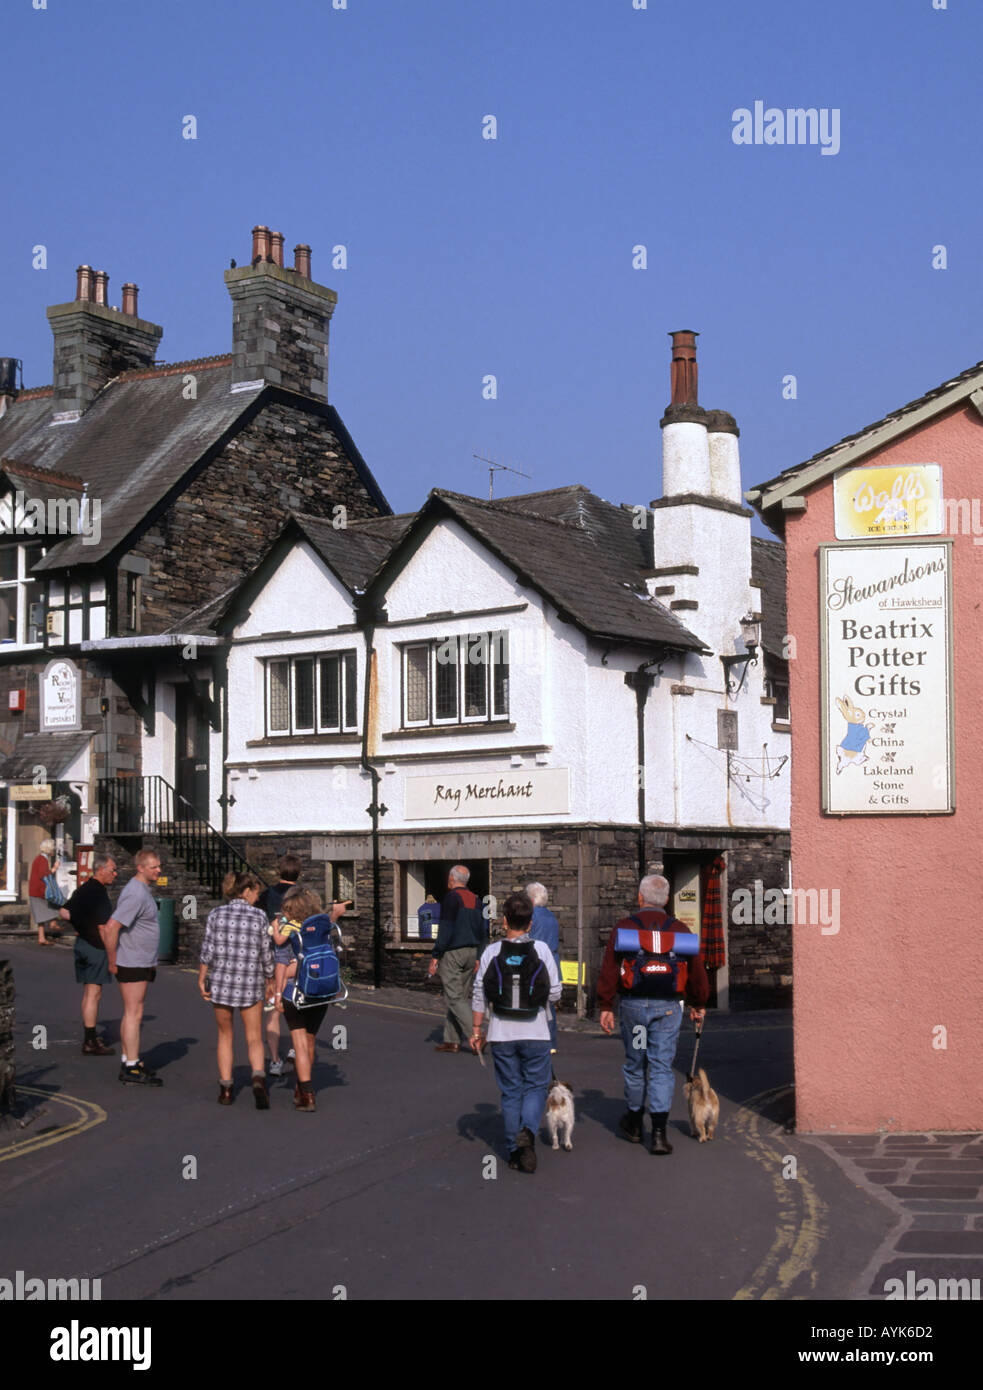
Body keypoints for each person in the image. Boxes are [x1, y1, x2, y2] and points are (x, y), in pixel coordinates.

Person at [597, 874, 709, 1156]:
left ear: (640, 898)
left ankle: (634, 1123)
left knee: (636, 1064)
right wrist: (698, 1003)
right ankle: (659, 1134)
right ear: (668, 901)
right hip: (668, 1008)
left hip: (635, 1009)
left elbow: (610, 968)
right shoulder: (681, 930)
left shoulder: (625, 928)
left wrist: (606, 1005)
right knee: (661, 1066)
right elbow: (696, 971)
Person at [470, 891, 561, 1173]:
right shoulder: (542, 951)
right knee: (535, 1087)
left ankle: (513, 1151)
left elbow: (478, 994)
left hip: (501, 1032)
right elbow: (556, 993)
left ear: (505, 920)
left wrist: (476, 1030)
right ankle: (528, 1137)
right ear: (531, 923)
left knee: (511, 1092)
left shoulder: (492, 952)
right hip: (536, 1032)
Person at [198, 870, 275, 1108]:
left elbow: (207, 950)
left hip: (221, 983)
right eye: (256, 893)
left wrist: (202, 978)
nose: (258, 898)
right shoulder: (259, 917)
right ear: (246, 891)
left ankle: (226, 1089)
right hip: (250, 983)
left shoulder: (216, 914)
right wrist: (271, 980)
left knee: (225, 1035)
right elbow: (266, 953)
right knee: (254, 1036)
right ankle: (258, 1077)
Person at [274, 887, 346, 1113]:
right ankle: (300, 1088)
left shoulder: (290, 931)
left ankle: (307, 1094)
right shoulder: (322, 928)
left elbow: (282, 965)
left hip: (296, 994)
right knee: (310, 1040)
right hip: (322, 991)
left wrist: (277, 993)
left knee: (299, 1043)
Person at [101, 848, 164, 1086]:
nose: (159, 870)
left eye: (158, 866)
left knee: (133, 1011)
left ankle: (130, 1060)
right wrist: (111, 959)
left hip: (140, 959)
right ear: (141, 868)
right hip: (132, 960)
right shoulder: (135, 894)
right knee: (134, 1013)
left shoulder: (140, 890)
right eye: (154, 867)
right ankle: (131, 1065)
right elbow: (111, 927)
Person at [63, 854, 119, 1055]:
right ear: (101, 869)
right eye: (112, 870)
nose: (115, 874)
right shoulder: (99, 894)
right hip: (96, 947)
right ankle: (90, 1041)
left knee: (88, 993)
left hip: (81, 944)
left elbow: (64, 912)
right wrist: (112, 957)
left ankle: (90, 1036)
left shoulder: (83, 889)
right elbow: (104, 928)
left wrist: (81, 925)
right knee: (94, 994)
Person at [427, 865, 486, 1053]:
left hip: (454, 953)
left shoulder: (451, 898)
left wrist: (435, 955)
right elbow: (483, 930)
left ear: (451, 879)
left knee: (454, 997)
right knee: (459, 997)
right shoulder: (476, 900)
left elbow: (446, 929)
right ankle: (451, 1040)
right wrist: (479, 955)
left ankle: (476, 1035)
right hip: (472, 952)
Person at [258, 852, 302, 1076]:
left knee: (273, 1012)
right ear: (298, 872)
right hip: (296, 959)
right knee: (297, 1008)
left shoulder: (267, 895)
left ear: (278, 871)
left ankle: (275, 1061)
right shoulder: (302, 896)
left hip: (273, 959)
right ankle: (296, 1049)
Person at [526, 881, 561, 1053]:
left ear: (531, 899)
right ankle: (551, 1043)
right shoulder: (551, 917)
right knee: (549, 1004)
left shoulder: (531, 916)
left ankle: (533, 1040)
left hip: (536, 962)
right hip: (552, 962)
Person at [29, 838, 63, 946]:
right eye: (53, 848)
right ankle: (53, 923)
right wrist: (54, 868)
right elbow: (44, 875)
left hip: (35, 890)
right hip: (39, 891)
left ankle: (41, 938)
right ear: (49, 849)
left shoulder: (39, 858)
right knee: (55, 904)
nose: (54, 850)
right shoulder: (42, 860)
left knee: (41, 915)